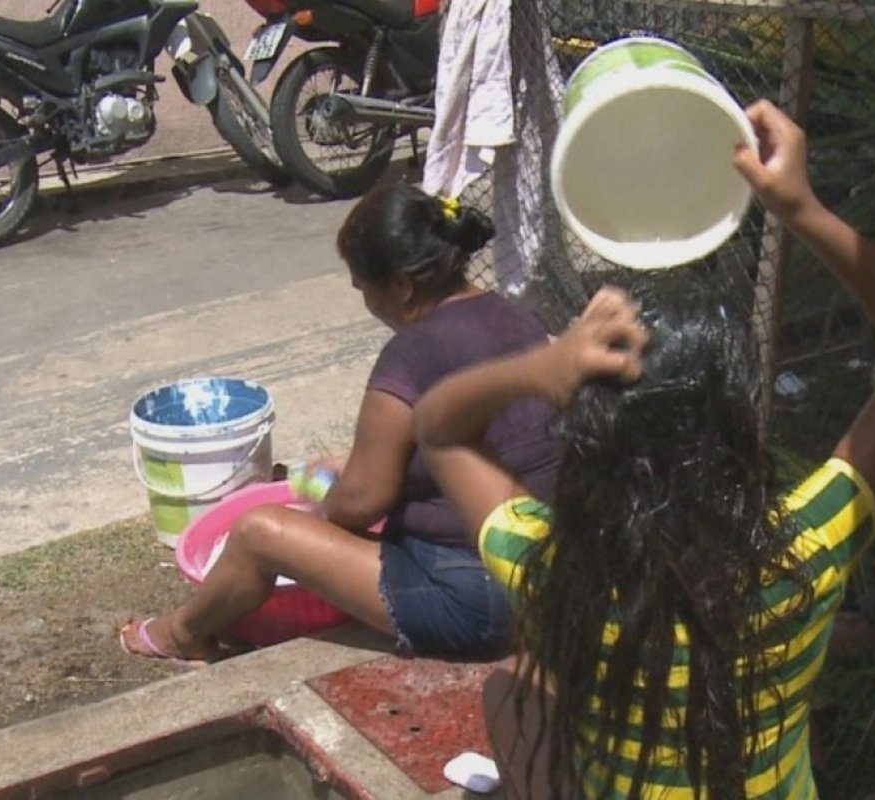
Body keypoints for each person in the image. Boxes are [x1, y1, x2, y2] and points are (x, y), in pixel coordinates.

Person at [412, 99, 875, 798]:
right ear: (734, 428)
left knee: (513, 685)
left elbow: (437, 427)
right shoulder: (805, 558)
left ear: (591, 437)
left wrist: (539, 371)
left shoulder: (550, 571)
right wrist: (801, 208)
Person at [121, 184, 560, 663]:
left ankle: (179, 635)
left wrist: (319, 519)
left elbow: (362, 500)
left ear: (402, 286)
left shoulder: (412, 355)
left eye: (363, 289)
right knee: (338, 469)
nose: (367, 305)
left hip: (480, 604)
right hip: (555, 577)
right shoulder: (518, 317)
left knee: (258, 533)